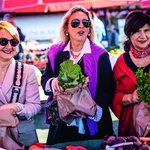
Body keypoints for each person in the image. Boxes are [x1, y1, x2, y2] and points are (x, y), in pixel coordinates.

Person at [41, 5, 116, 145]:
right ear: (66, 28)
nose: (81, 26)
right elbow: (45, 79)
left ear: (89, 29)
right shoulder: (55, 52)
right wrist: (53, 82)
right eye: (75, 23)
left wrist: (93, 109)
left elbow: (108, 88)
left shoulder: (100, 54)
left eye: (85, 23)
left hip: (93, 121)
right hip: (63, 122)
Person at [0, 21, 41, 149]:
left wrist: (18, 107)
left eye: (13, 42)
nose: (9, 46)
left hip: (23, 136)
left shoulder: (28, 71)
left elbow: (35, 105)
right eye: (3, 41)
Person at [112, 11, 150, 137]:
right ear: (129, 34)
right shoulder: (121, 62)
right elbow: (113, 95)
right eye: (138, 31)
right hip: (131, 128)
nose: (143, 36)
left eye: (147, 30)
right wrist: (131, 98)